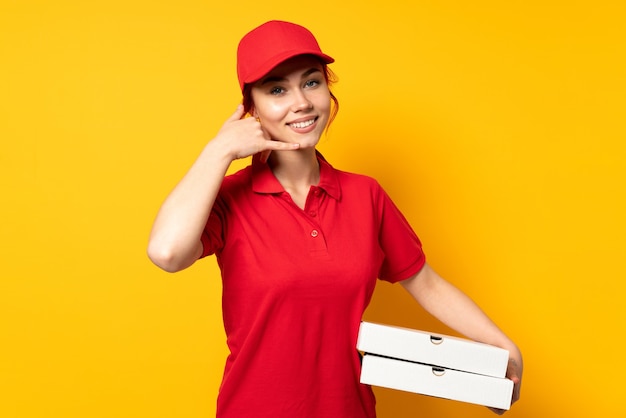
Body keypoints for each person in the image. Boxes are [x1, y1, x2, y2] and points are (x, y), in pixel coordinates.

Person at [147, 20, 523, 418]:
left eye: (312, 82)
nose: (302, 102)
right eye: (277, 90)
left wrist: (503, 346)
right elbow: (167, 253)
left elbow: (425, 282)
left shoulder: (366, 195)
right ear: (250, 108)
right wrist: (218, 151)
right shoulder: (229, 199)